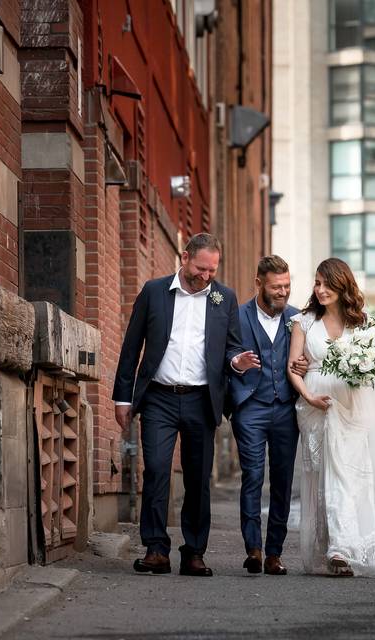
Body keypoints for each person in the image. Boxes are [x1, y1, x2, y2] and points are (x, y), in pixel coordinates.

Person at [113, 233, 260, 577]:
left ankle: (194, 552)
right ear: (184, 257)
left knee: (197, 479)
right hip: (159, 398)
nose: (206, 276)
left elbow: (230, 348)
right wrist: (123, 397)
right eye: (200, 268)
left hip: (201, 399)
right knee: (157, 471)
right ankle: (155, 549)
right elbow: (131, 346)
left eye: (212, 270)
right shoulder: (154, 291)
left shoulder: (224, 298)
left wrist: (237, 362)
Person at [287, 258, 375, 577]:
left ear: (341, 284)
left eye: (326, 283)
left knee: (355, 475)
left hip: (355, 405)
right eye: (317, 283)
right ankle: (335, 546)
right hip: (318, 402)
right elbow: (293, 367)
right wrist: (308, 396)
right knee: (327, 476)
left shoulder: (361, 323)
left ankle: (347, 548)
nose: (320, 289)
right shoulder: (303, 322)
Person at [227, 255, 305, 575]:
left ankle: (274, 552)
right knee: (253, 477)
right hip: (251, 407)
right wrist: (237, 363)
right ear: (258, 283)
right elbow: (223, 352)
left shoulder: (297, 318)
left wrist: (305, 366)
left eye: (286, 286)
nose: (283, 292)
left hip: (286, 408)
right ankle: (254, 549)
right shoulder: (237, 316)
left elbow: (308, 356)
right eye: (276, 287)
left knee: (283, 482)